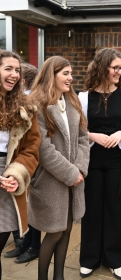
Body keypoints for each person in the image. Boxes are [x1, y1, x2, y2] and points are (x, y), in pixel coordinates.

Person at [78, 48, 121, 280]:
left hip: (117, 159)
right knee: (92, 208)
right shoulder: (84, 97)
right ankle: (89, 259)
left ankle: (114, 260)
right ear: (103, 67)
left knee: (114, 207)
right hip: (92, 158)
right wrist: (93, 136)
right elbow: (77, 129)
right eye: (115, 67)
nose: (119, 71)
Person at [28, 56, 90, 280]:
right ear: (51, 74)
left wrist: (80, 169)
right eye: (65, 73)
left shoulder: (73, 102)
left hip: (75, 180)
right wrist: (71, 173)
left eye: (71, 73)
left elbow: (84, 139)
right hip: (50, 182)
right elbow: (43, 149)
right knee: (54, 233)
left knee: (66, 231)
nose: (71, 78)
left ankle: (59, 276)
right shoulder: (37, 105)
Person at [0, 50, 41, 279]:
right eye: (8, 68)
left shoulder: (26, 107)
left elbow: (32, 148)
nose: (14, 74)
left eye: (17, 70)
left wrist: (17, 174)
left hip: (8, 180)